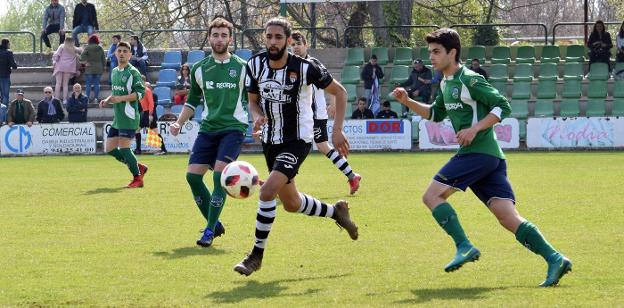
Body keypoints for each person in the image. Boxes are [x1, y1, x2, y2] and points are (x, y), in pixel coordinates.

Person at [391, 28, 571, 287]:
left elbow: (503, 106)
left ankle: (463, 245)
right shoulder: (445, 82)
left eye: (436, 52)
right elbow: (434, 114)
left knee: (431, 196)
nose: (431, 56)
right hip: (491, 158)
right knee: (507, 217)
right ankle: (555, 259)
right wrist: (407, 101)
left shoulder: (470, 79)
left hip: (478, 153)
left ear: (452, 53)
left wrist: (475, 128)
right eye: (429, 52)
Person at [233, 17, 358, 277]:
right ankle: (336, 212)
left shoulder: (305, 67)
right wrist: (256, 115)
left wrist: (336, 130)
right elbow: (253, 101)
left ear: (288, 40)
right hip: (270, 140)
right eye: (269, 36)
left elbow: (341, 92)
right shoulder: (254, 65)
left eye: (279, 37)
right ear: (264, 38)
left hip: (297, 139)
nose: (273, 41)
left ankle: (255, 256)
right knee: (291, 203)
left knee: (267, 192)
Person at [169, 18, 247, 247]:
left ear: (230, 39)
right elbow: (192, 102)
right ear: (209, 38)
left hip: (234, 128)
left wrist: (261, 120)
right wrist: (179, 123)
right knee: (192, 177)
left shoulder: (243, 67)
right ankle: (215, 222)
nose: (219, 39)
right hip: (208, 128)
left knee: (218, 177)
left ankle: (209, 230)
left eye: (224, 35)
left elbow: (254, 97)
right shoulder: (199, 69)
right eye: (216, 35)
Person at [290, 31, 362, 195]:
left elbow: (331, 83)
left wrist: (333, 102)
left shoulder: (313, 63)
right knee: (322, 147)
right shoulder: (291, 65)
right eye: (292, 45)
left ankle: (284, 180)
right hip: (302, 115)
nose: (295, 48)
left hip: (314, 115)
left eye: (298, 44)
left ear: (306, 45)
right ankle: (352, 175)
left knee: (298, 145)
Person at [99, 41, 147, 188]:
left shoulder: (133, 72)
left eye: (125, 51)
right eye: (119, 51)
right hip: (118, 117)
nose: (121, 53)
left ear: (130, 55)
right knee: (110, 149)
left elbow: (140, 93)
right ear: (115, 53)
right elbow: (116, 92)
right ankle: (139, 167)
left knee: (125, 149)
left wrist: (120, 99)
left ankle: (137, 178)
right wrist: (107, 99)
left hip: (129, 116)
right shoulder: (114, 71)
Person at [52, 37, 81, 102]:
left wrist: (54, 61)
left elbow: (56, 55)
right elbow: (82, 51)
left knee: (58, 83)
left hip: (60, 66)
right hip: (69, 67)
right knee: (65, 84)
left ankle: (56, 98)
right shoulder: (74, 48)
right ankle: (65, 99)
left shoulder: (62, 46)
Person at [80, 34, 106, 103]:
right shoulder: (100, 48)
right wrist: (104, 67)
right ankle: (96, 99)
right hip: (98, 68)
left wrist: (85, 63)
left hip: (89, 68)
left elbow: (81, 57)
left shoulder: (87, 48)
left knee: (88, 84)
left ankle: (87, 99)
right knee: (96, 84)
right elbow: (103, 59)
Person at [0, 38, 18, 106]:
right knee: (5, 95)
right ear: (7, 44)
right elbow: (14, 66)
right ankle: (4, 112)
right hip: (5, 77)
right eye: (9, 44)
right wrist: (15, 64)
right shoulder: (8, 53)